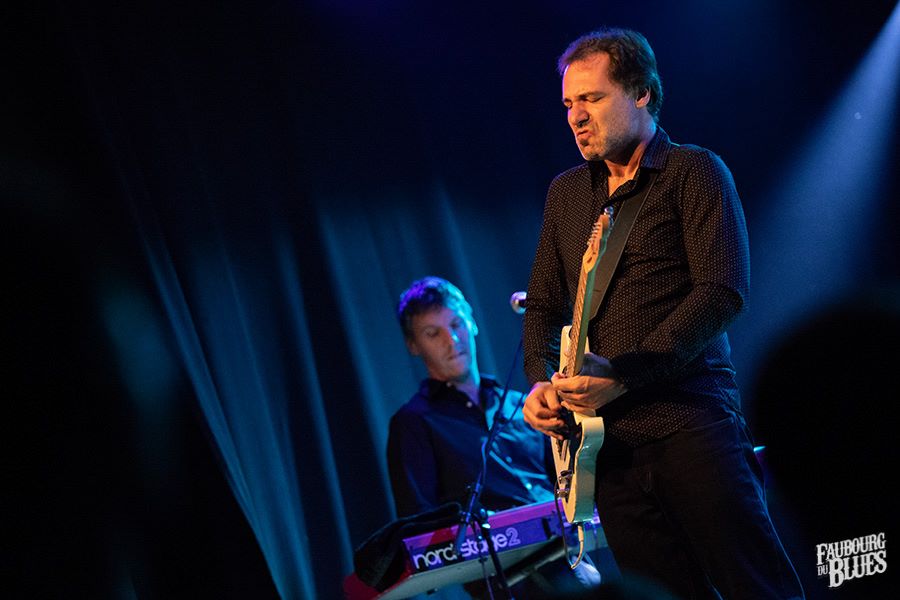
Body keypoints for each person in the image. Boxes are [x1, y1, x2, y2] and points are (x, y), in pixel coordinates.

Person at [521, 28, 805, 599]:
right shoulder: (566, 194)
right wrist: (540, 383)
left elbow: (722, 291)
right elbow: (545, 306)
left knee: (756, 588)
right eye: (569, 103)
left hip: (691, 425)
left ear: (642, 93)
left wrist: (625, 374)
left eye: (592, 98)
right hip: (608, 451)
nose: (576, 117)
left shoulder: (693, 170)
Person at [387, 276, 602, 598]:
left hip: (571, 556)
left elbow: (566, 479)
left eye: (456, 324)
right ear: (413, 345)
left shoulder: (522, 405)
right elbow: (421, 520)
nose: (451, 340)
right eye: (433, 333)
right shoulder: (415, 422)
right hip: (504, 576)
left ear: (472, 323)